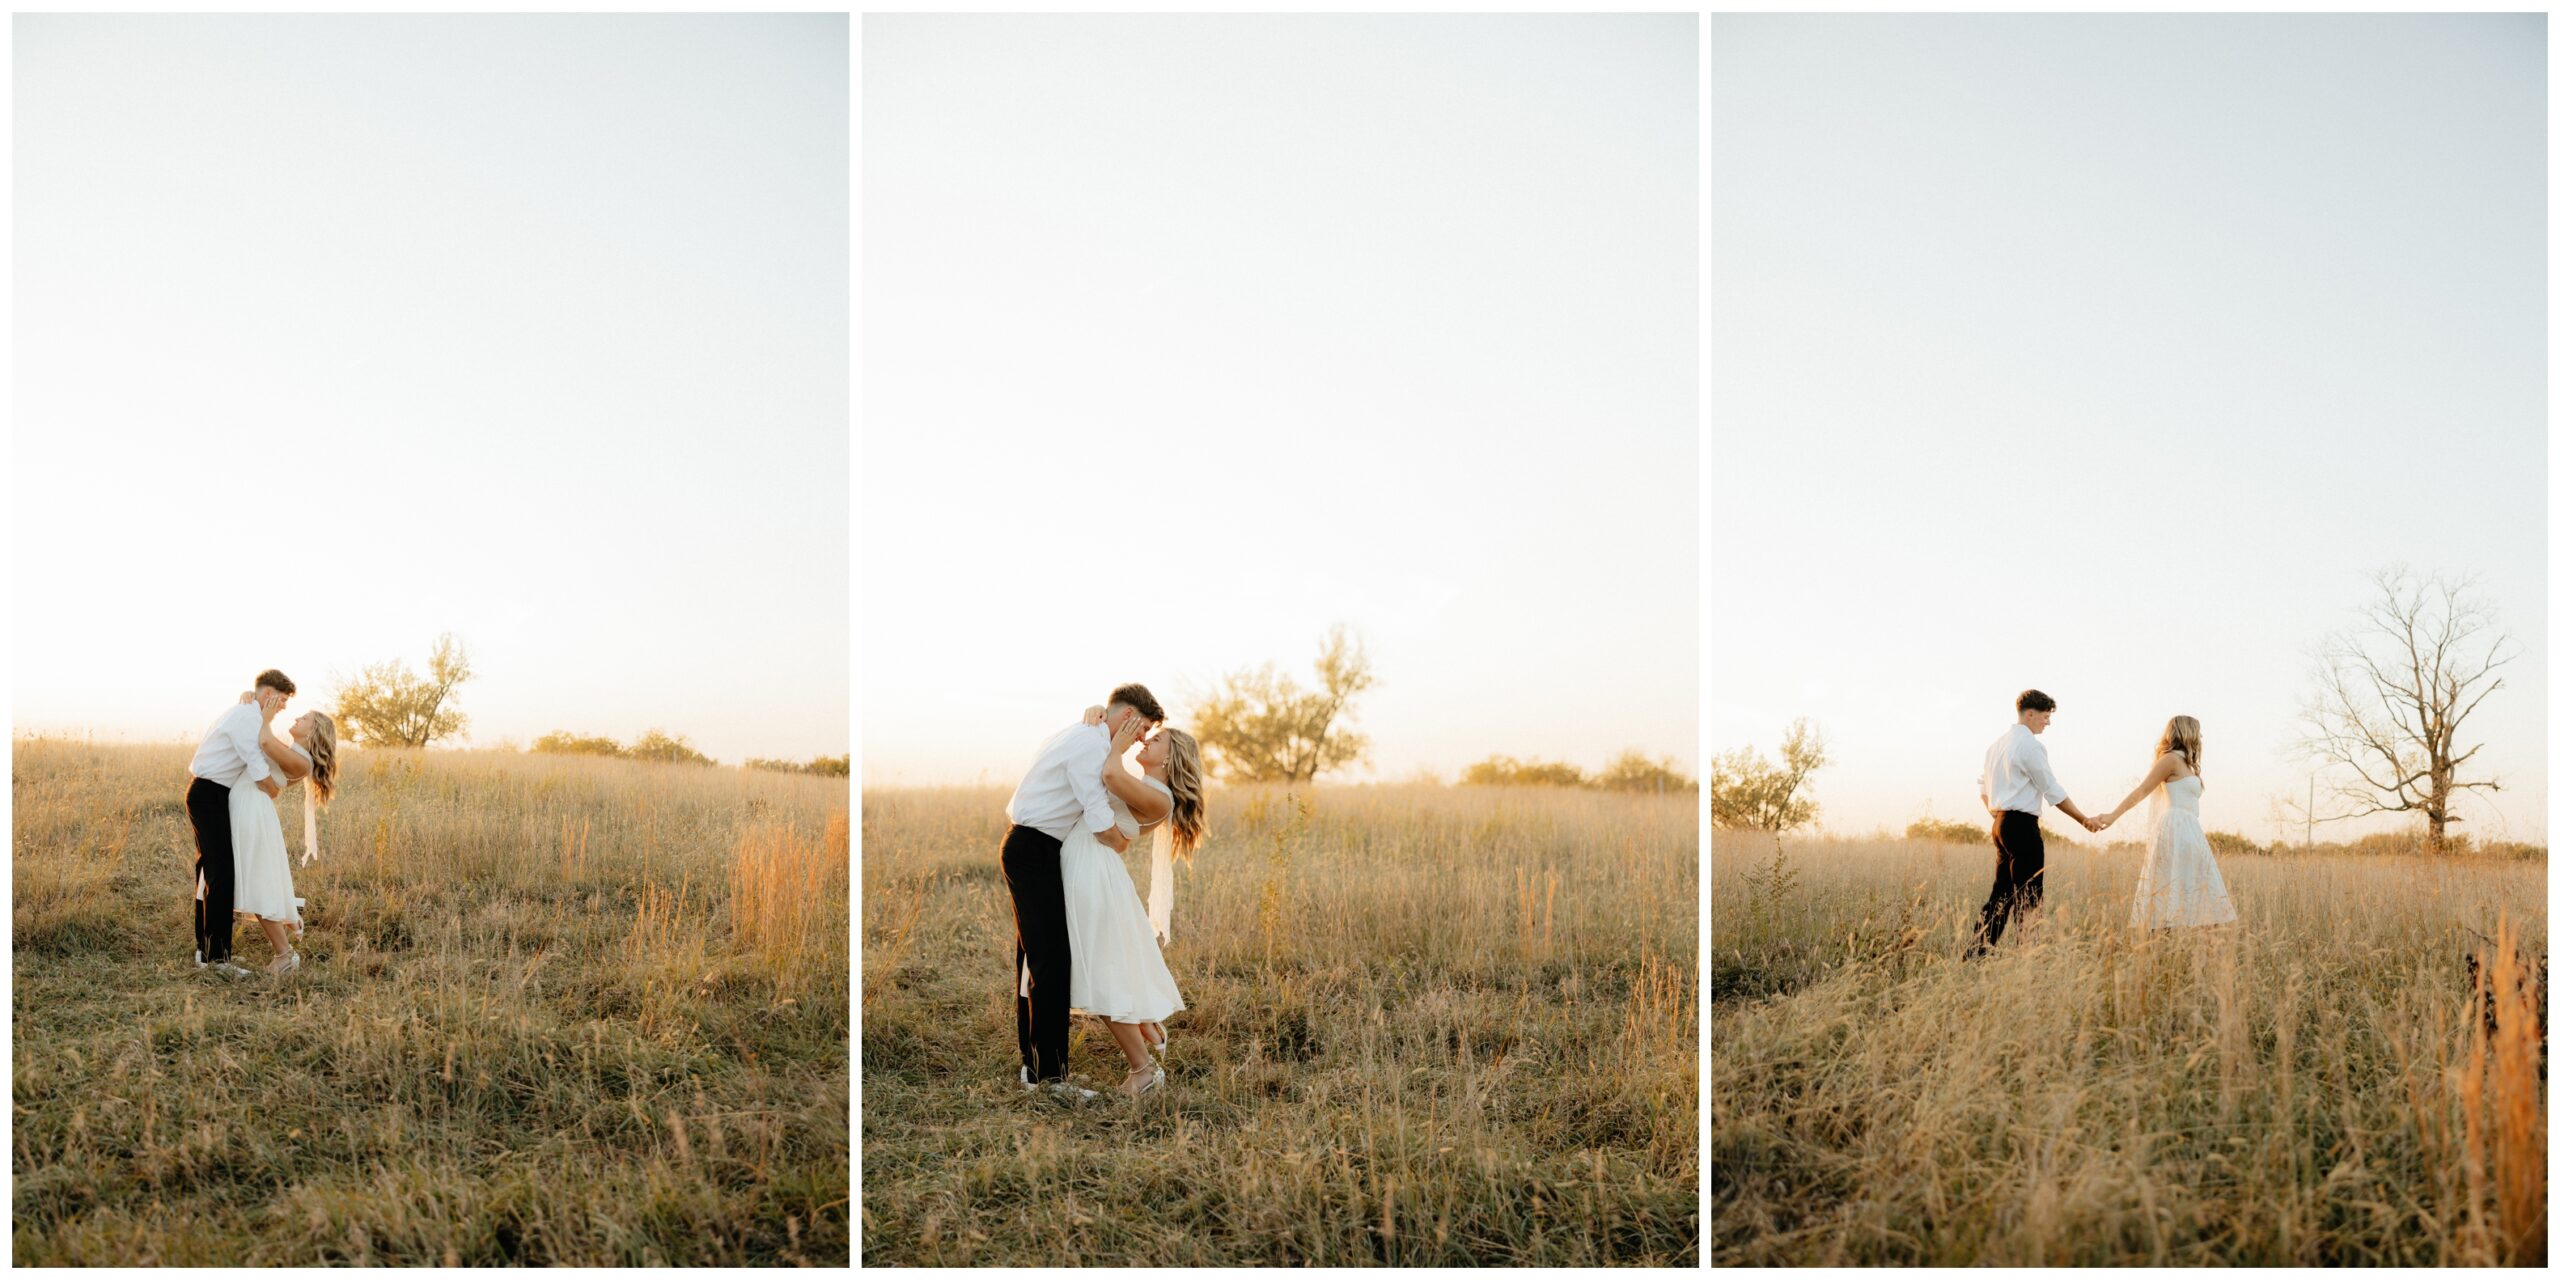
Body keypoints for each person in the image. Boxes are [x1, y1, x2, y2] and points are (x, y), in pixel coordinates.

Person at [1000, 683, 1164, 1100]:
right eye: (1142, 727)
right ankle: (1049, 1081)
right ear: (1127, 716)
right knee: (1049, 962)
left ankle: (1035, 1068)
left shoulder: (1084, 732)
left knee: (1035, 960)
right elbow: (1098, 817)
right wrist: (1120, 841)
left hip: (1034, 848)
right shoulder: (1092, 744)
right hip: (1033, 848)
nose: (1141, 738)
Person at [1967, 688, 2104, 957]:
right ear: (2030, 714)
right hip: (2021, 826)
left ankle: (1975, 955)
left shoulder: (1996, 746)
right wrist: (2084, 820)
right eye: (2045, 716)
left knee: (2001, 896)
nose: (2048, 722)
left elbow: (1983, 788)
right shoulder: (2030, 745)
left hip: (2001, 825)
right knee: (2030, 896)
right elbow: (2052, 789)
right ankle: (2027, 961)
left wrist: (1998, 816)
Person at [187, 670, 292, 979]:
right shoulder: (248, 718)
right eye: (282, 700)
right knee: (221, 874)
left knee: (210, 872)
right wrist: (273, 790)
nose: (284, 707)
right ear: (268, 693)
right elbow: (256, 766)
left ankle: (208, 951)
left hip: (212, 794)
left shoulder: (248, 713)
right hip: (210, 794)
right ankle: (217, 959)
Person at [2095, 715, 2236, 932]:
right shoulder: (2170, 760)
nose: (2200, 737)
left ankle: (2194, 949)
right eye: (2197, 731)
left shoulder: (2188, 764)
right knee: (2168, 887)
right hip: (2174, 828)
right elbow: (2142, 790)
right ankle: (2163, 943)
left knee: (2201, 891)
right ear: (2186, 732)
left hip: (2191, 831)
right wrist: (2113, 815)